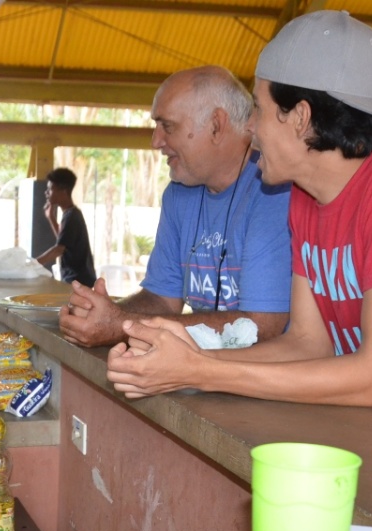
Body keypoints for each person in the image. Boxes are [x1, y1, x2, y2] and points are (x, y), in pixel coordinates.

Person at [107, 11, 372, 420]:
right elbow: (307, 344)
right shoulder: (305, 199)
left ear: (301, 117)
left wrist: (203, 370)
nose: (249, 127)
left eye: (257, 108)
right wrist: (186, 354)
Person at [60, 66, 292, 347]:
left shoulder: (273, 190)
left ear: (216, 125)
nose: (156, 142)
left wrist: (121, 326)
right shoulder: (179, 194)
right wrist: (108, 314)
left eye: (167, 126)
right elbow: (162, 300)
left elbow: (261, 326)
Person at [34, 167, 97, 286]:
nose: (46, 193)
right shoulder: (70, 214)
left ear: (63, 191)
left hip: (79, 280)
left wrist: (33, 264)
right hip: (77, 279)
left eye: (50, 189)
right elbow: (64, 242)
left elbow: (59, 249)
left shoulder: (71, 216)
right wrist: (51, 218)